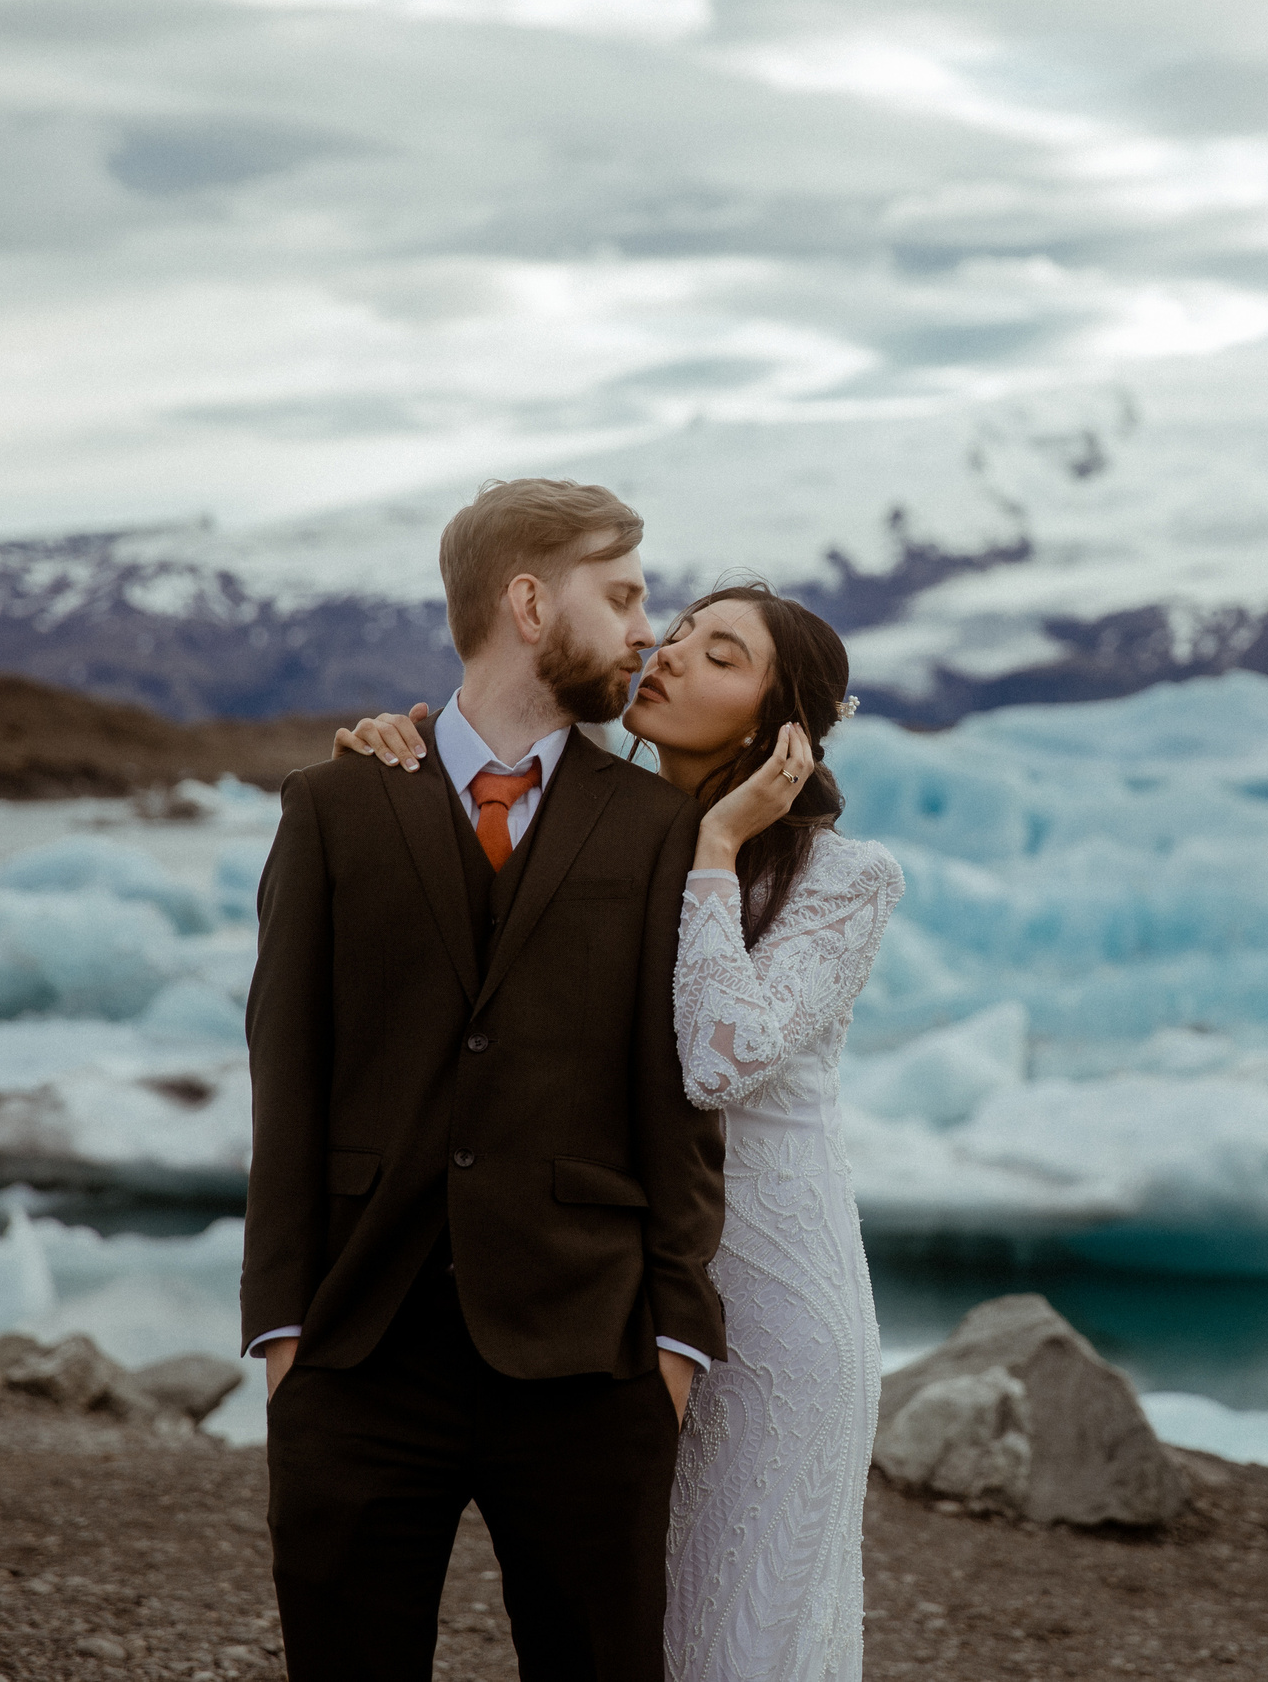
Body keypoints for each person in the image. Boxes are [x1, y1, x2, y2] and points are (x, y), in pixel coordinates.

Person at [337, 580, 904, 1682]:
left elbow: (721, 1059)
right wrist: (397, 755)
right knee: (622, 1633)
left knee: (744, 1631)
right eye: (680, 633)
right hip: (620, 1294)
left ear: (778, 723)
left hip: (777, 1312)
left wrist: (715, 848)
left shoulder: (845, 879)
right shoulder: (592, 832)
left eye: (721, 655)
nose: (673, 656)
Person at [245, 477, 724, 1682]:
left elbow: (676, 1098)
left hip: (589, 1359)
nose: (642, 632)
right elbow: (286, 1072)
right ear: (527, 602)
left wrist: (673, 1342)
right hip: (358, 1351)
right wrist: (285, 1332)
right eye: (619, 598)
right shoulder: (335, 806)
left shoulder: (659, 828)